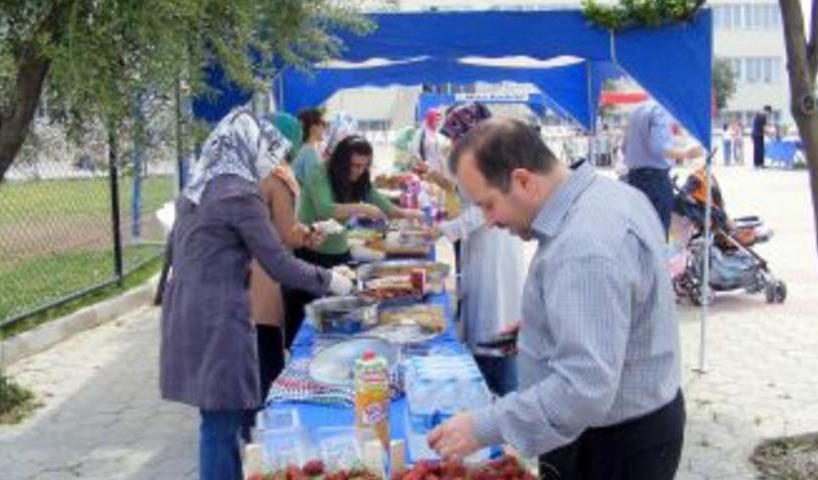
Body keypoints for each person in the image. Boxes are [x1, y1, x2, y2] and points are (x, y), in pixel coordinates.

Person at [427, 118, 684, 480]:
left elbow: (584, 389)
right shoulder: (610, 194)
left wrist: (483, 427)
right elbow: (622, 309)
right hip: (634, 424)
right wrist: (546, 326)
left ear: (524, 181)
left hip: (611, 446)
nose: (487, 221)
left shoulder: (583, 246)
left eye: (488, 205)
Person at [159, 107, 353, 480]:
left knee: (216, 415)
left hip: (186, 309)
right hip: (216, 315)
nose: (269, 162)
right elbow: (278, 262)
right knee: (221, 422)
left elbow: (175, 250)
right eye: (265, 150)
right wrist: (332, 280)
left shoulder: (199, 187)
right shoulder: (238, 194)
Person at [283, 135, 422, 347]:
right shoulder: (319, 172)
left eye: (364, 167)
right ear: (340, 160)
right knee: (305, 318)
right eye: (354, 165)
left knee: (339, 316)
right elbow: (325, 209)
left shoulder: (360, 178)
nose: (358, 171)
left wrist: (410, 214)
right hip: (310, 255)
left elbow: (384, 206)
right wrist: (362, 208)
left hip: (340, 254)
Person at [427, 102, 525, 397]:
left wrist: (443, 230)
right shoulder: (481, 160)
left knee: (496, 336)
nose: (454, 144)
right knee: (485, 329)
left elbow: (483, 210)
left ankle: (508, 416)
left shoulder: (494, 162)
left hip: (495, 252)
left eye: (457, 137)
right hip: (482, 250)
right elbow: (467, 198)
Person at [247, 113, 326, 418]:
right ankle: (266, 431)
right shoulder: (275, 176)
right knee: (267, 365)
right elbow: (285, 233)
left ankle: (248, 426)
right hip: (263, 277)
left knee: (249, 365)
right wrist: (309, 235)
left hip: (234, 279)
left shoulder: (242, 169)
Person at [622, 102, 703, 236]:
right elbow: (659, 147)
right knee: (658, 234)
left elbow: (624, 148)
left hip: (634, 179)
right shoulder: (660, 110)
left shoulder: (636, 110)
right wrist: (687, 154)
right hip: (654, 180)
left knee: (639, 232)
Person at [293, 109, 327, 187]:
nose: (325, 128)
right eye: (323, 124)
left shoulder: (300, 149)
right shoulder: (310, 153)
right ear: (313, 128)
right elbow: (314, 187)